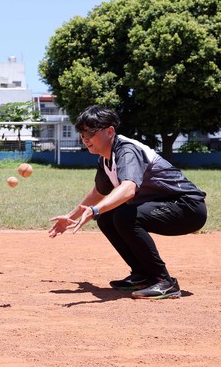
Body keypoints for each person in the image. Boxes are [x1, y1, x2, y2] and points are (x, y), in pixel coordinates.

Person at [49, 105, 207, 300]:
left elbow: (128, 188)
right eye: (82, 133)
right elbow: (99, 192)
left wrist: (96, 209)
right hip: (169, 205)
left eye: (90, 132)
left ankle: (164, 282)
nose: (85, 138)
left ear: (109, 131)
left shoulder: (127, 150)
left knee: (124, 216)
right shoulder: (106, 159)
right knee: (107, 217)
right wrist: (71, 216)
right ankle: (142, 276)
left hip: (188, 207)